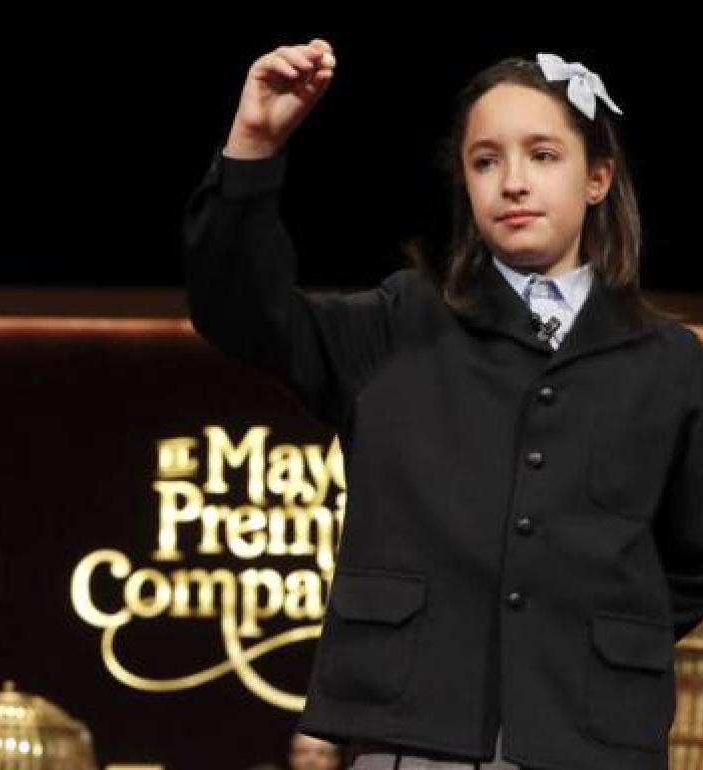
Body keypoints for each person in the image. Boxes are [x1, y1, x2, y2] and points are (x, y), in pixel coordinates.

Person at [184, 39, 702, 769]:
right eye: (486, 160)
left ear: (598, 177)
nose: (512, 181)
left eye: (543, 155)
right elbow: (241, 312)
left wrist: (599, 638)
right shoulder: (402, 324)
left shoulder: (670, 363)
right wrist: (254, 146)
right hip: (412, 736)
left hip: (592, 743)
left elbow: (691, 562)